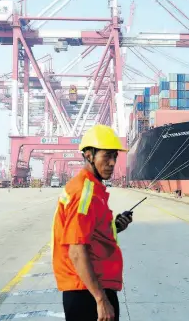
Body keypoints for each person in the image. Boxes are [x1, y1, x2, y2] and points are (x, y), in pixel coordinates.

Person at [51, 124, 133, 321]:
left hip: (91, 286)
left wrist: (115, 227)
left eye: (115, 156)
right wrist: (101, 300)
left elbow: (90, 233)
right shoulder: (84, 193)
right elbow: (76, 251)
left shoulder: (93, 189)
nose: (112, 162)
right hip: (87, 291)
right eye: (107, 156)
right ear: (89, 155)